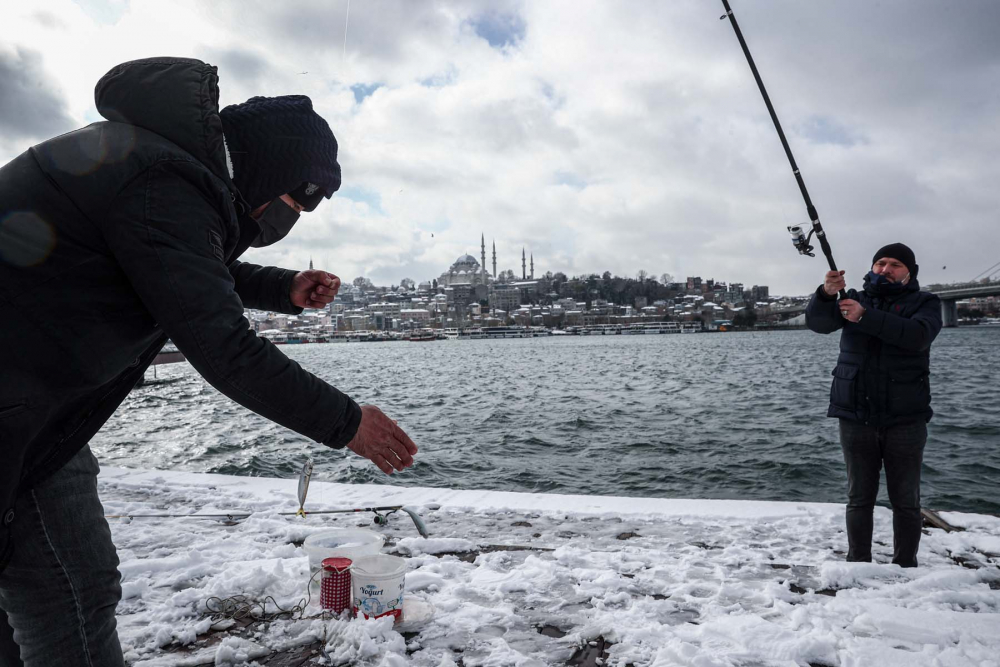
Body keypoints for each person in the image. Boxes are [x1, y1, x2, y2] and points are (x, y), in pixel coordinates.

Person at [0, 57, 417, 666]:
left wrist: (283, 288)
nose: (297, 215)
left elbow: (183, 265)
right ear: (271, 168)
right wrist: (348, 422)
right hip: (19, 412)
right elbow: (222, 344)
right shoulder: (163, 183)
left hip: (33, 410)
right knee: (72, 592)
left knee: (28, 601)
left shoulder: (153, 168)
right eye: (304, 197)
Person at [805, 243, 942, 568]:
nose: (885, 269)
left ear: (910, 272)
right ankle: (858, 563)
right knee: (859, 498)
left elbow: (917, 336)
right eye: (880, 262)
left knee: (906, 501)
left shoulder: (926, 303)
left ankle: (905, 565)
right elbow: (819, 324)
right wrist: (826, 294)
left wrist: (865, 317)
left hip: (905, 419)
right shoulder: (854, 297)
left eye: (895, 264)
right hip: (855, 414)